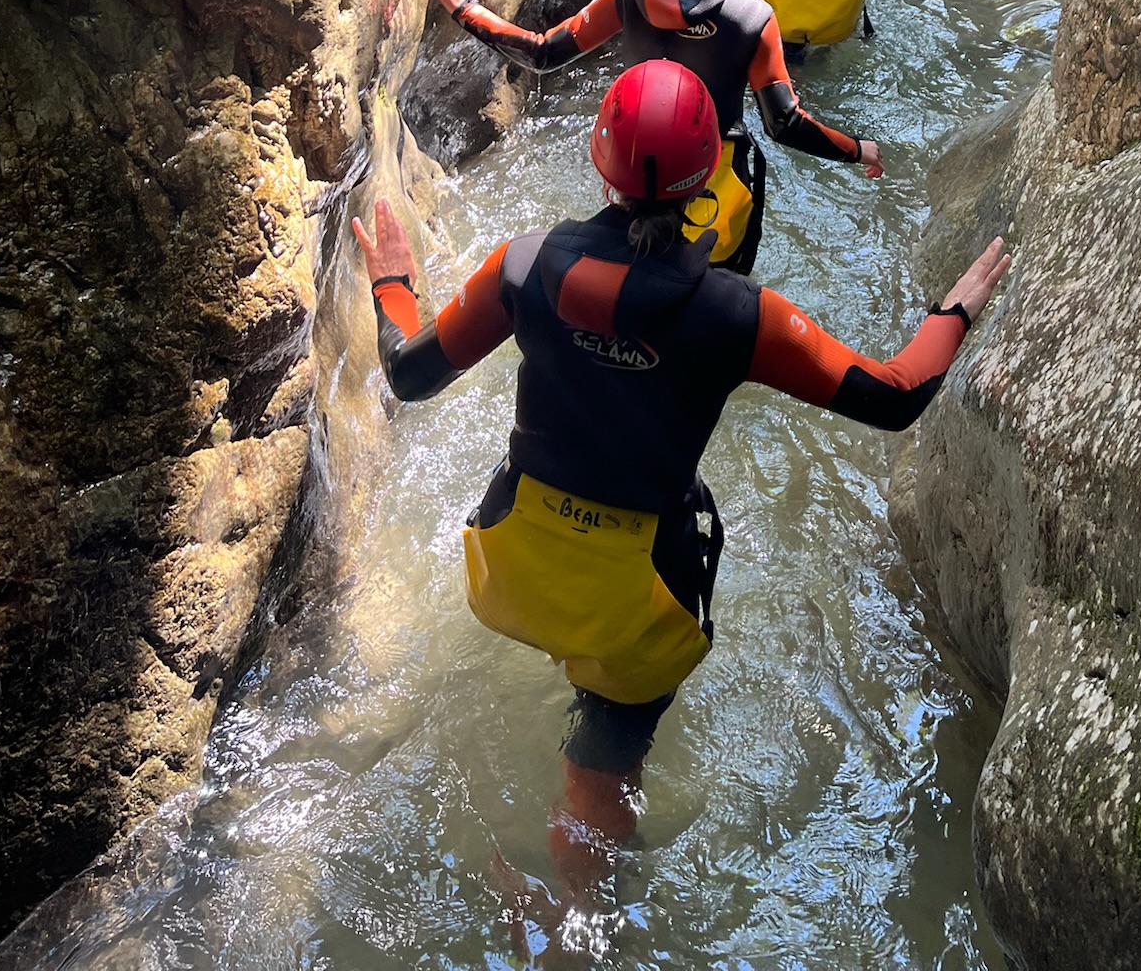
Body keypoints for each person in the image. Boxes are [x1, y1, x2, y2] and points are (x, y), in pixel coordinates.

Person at [351, 57, 1009, 911]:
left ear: (599, 157)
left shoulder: (523, 268)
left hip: (509, 564)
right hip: (636, 603)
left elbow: (408, 371)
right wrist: (954, 309)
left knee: (570, 602)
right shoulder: (735, 314)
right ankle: (574, 925)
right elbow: (895, 396)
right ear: (708, 174)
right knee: (606, 759)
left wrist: (393, 280)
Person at [422, 0, 881, 275]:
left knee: (627, 273)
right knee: (711, 295)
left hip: (634, 171)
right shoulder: (751, 17)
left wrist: (465, 7)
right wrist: (857, 148)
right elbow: (783, 123)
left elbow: (542, 53)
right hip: (713, 178)